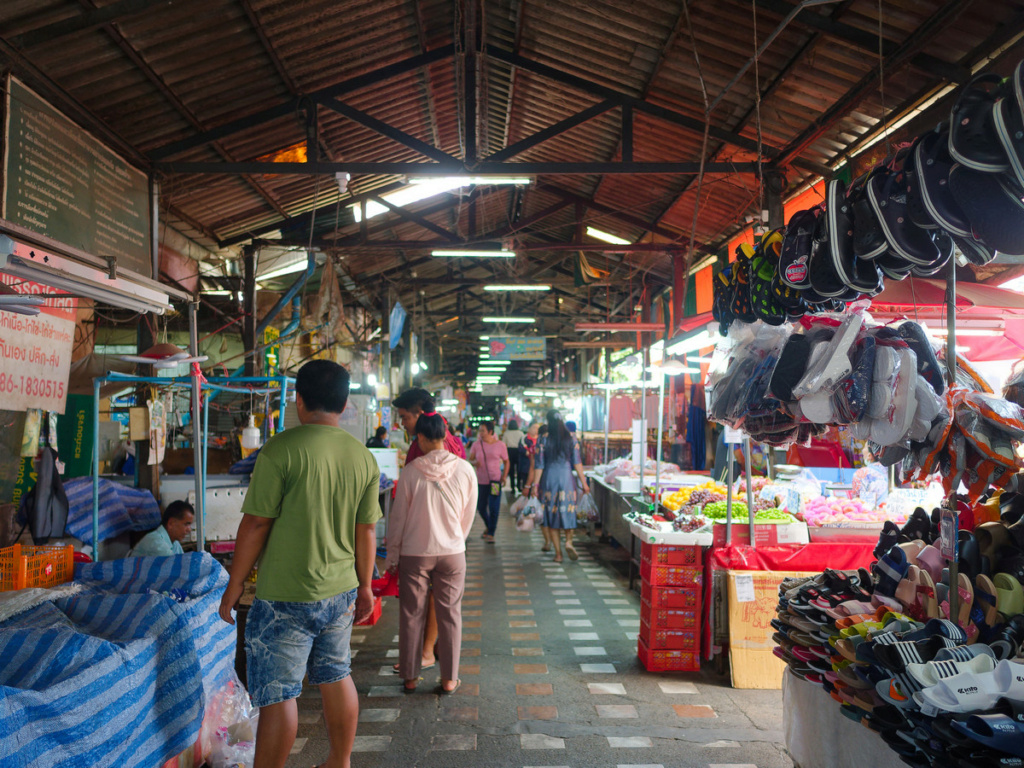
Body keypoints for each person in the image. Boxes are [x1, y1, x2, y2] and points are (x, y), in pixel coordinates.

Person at [218, 360, 380, 768]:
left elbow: (255, 524)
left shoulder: (279, 450)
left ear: (298, 400)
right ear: (344, 405)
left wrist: (234, 585)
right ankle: (339, 761)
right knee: (336, 675)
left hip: (285, 595)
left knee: (279, 695)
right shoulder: (363, 458)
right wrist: (366, 586)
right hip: (340, 590)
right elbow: (367, 532)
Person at [385, 412, 477, 694]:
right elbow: (468, 514)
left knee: (412, 614)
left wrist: (392, 555)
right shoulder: (465, 470)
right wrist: (455, 540)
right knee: (451, 614)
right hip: (452, 552)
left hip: (416, 553)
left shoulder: (412, 471)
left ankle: (411, 677)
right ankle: (449, 679)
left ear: (422, 438)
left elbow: (398, 518)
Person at [527, 410, 590, 563]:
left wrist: (535, 485)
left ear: (548, 422)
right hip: (567, 478)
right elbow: (577, 462)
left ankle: (558, 554)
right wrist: (584, 483)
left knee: (551, 514)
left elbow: (539, 465)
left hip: (549, 479)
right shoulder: (571, 437)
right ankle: (569, 542)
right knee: (568, 510)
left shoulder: (543, 438)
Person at [395, 388, 466, 463]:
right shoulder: (446, 439)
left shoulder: (427, 448)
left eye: (405, 418)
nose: (402, 423)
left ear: (420, 414)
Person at [468, 420, 508, 542]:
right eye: (479, 430)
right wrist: (475, 463)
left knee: (494, 507)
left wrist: (504, 476)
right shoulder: (476, 445)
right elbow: (470, 460)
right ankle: (489, 525)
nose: (480, 433)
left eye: (483, 431)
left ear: (490, 432)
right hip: (481, 481)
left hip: (495, 481)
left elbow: (507, 461)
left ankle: (491, 533)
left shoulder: (500, 445)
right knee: (480, 507)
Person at [501, 419, 525, 491]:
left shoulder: (506, 433)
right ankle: (518, 485)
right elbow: (523, 444)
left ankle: (512, 487)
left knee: (511, 469)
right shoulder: (520, 433)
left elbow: (503, 444)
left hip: (509, 451)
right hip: (518, 452)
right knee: (518, 469)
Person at [517, 422, 539, 493]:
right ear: (529, 429)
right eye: (534, 427)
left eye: (537, 428)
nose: (536, 430)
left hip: (537, 469)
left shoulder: (540, 439)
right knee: (526, 487)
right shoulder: (524, 438)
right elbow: (523, 450)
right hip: (526, 467)